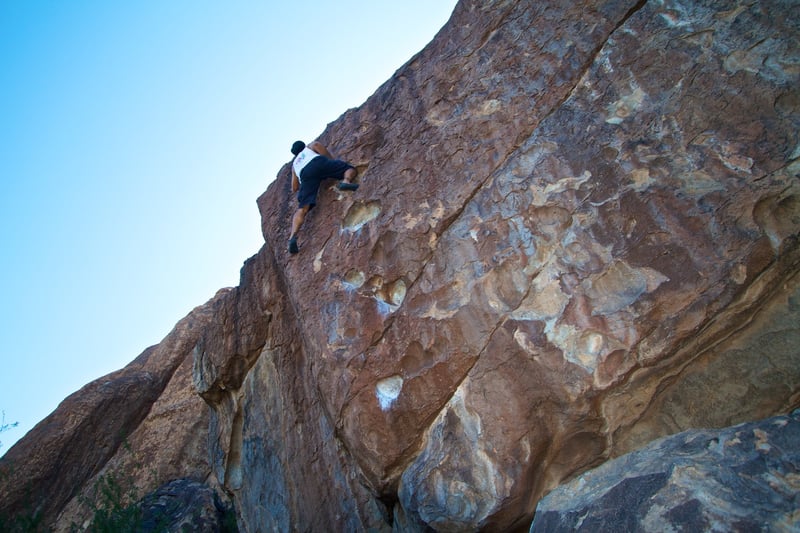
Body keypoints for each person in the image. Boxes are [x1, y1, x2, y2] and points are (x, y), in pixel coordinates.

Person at [288, 140, 359, 254]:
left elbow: (294, 187)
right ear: (303, 145)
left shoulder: (294, 165)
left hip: (305, 174)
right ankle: (346, 181)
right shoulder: (310, 147)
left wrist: (303, 179)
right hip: (318, 162)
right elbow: (317, 146)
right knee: (349, 169)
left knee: (302, 208)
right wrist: (331, 161)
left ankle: (292, 236)